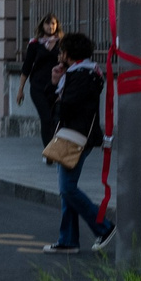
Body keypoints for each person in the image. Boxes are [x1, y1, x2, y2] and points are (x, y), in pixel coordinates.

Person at [43, 31, 116, 254]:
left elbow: (65, 107)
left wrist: (58, 91)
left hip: (77, 136)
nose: (59, 54)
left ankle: (104, 227)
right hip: (72, 134)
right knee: (67, 189)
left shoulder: (84, 75)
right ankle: (68, 240)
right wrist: (55, 83)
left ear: (69, 54)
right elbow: (55, 102)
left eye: (62, 50)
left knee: (67, 188)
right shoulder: (77, 73)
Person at [17, 12, 64, 143]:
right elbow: (26, 67)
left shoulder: (61, 43)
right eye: (47, 23)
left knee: (56, 119)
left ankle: (54, 146)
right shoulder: (35, 44)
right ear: (42, 25)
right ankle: (48, 150)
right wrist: (20, 89)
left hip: (56, 87)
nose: (50, 26)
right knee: (46, 118)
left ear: (57, 25)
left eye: (53, 23)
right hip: (38, 87)